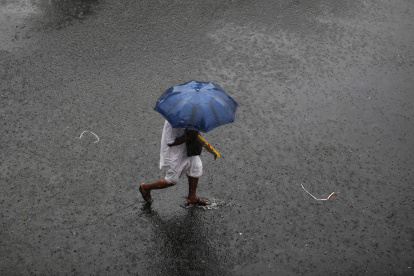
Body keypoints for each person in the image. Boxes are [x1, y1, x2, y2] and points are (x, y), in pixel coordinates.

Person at [139, 120, 210, 206]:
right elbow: (170, 142)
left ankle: (192, 197)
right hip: (175, 152)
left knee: (196, 168)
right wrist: (189, 136)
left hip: (188, 148)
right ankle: (146, 187)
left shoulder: (192, 115)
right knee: (172, 180)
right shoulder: (172, 122)